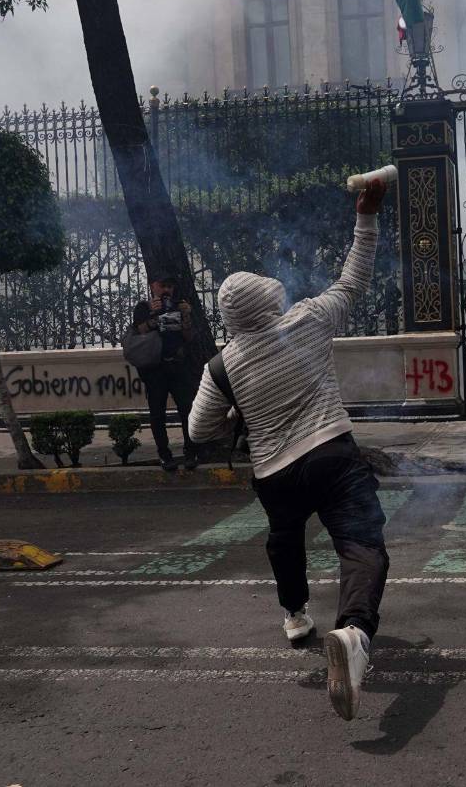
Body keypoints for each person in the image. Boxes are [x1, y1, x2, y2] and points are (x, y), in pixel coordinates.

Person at [188, 178, 389, 721]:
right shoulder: (307, 320)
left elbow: (198, 431)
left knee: (285, 539)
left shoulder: (221, 365)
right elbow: (354, 279)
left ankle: (297, 616)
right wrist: (365, 216)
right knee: (361, 544)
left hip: (275, 471)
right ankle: (354, 633)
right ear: (267, 300)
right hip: (331, 452)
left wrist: (236, 412)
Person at [131, 277, 200, 471]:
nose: (166, 290)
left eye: (170, 286)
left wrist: (185, 316)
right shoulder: (143, 307)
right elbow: (139, 333)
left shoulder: (180, 306)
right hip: (155, 369)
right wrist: (154, 315)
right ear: (153, 286)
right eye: (162, 286)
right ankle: (164, 455)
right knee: (157, 414)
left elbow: (188, 337)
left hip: (177, 366)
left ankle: (190, 452)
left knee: (187, 409)